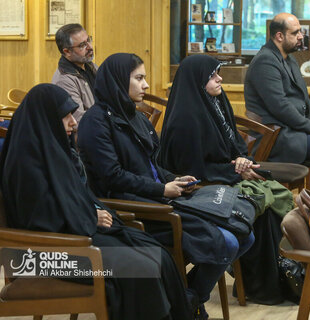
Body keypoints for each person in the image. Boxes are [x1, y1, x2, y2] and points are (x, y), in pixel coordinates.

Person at [77, 53, 252, 319]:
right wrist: (162, 189)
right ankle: (188, 302)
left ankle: (186, 298)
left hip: (161, 199)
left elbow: (152, 166)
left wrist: (174, 178)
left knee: (245, 234)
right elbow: (112, 176)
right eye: (139, 78)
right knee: (227, 241)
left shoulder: (134, 116)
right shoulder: (96, 121)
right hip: (133, 208)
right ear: (117, 82)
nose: (146, 85)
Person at [0, 84, 191, 320]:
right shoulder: (24, 165)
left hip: (73, 242)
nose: (74, 123)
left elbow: (71, 199)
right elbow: (40, 219)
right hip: (41, 258)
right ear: (46, 120)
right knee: (140, 268)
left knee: (158, 255)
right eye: (66, 116)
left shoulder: (53, 152)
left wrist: (89, 213)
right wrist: (89, 217)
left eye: (73, 114)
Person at [160, 54, 295, 305]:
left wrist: (241, 161)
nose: (219, 78)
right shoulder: (185, 119)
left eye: (218, 72)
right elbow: (193, 169)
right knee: (260, 210)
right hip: (200, 188)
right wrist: (234, 170)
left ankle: (271, 280)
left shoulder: (218, 101)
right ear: (197, 81)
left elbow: (234, 146)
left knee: (271, 203)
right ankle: (257, 287)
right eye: (212, 75)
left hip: (222, 176)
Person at [244, 12, 310, 164]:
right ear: (279, 36)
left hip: (294, 131)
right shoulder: (265, 60)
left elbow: (303, 96)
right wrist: (309, 127)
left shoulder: (289, 58)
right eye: (295, 33)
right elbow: (279, 105)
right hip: (277, 137)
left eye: (300, 31)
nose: (301, 36)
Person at [52, 23, 96, 122]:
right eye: (82, 45)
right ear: (67, 52)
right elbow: (78, 121)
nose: (90, 47)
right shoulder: (63, 81)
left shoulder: (91, 66)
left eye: (88, 40)